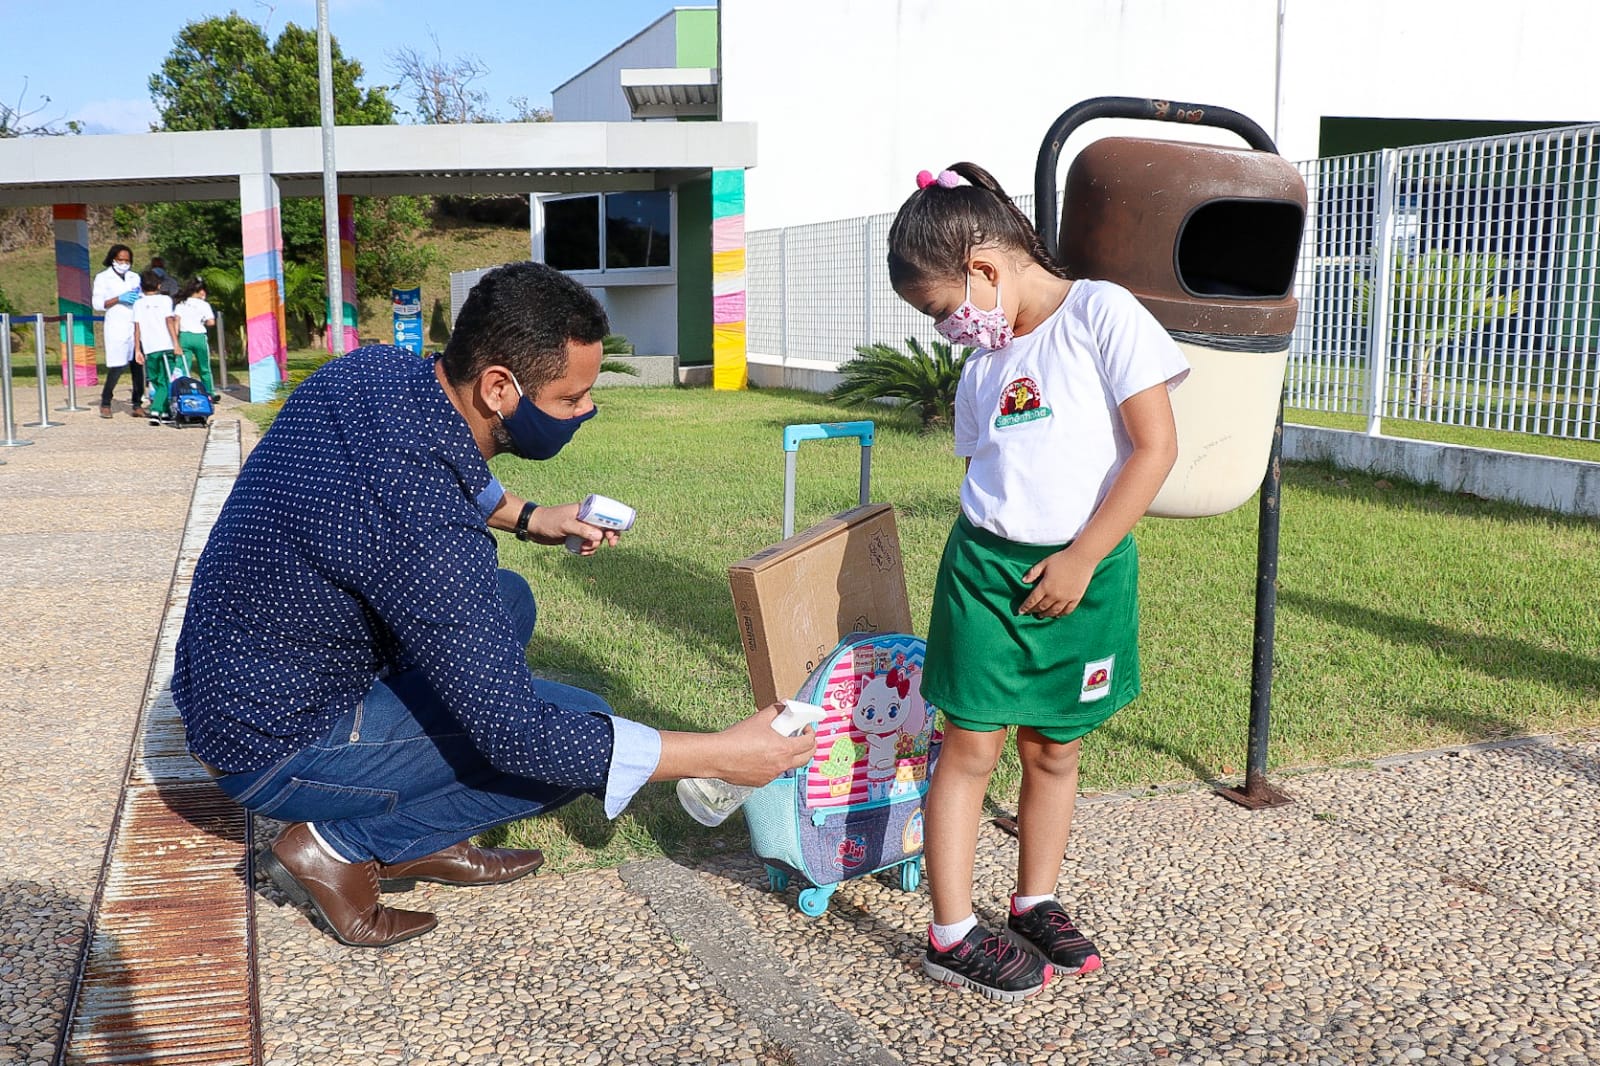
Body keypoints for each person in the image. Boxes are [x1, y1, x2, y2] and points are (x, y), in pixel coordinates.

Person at [172, 261, 815, 948]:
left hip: (232, 675)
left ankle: (424, 831)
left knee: (506, 601)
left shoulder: (371, 373)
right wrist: (718, 755)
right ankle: (339, 845)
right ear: (499, 388)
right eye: (571, 399)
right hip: (272, 742)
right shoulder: (428, 532)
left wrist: (531, 515)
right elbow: (518, 734)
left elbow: (442, 463)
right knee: (573, 731)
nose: (586, 411)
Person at [886, 164, 1189, 1002]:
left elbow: (1154, 448)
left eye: (943, 309)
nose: (949, 330)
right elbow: (998, 470)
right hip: (986, 576)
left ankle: (1036, 899)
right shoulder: (987, 361)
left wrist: (1085, 555)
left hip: (1087, 571)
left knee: (1055, 746)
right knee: (972, 746)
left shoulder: (1101, 313)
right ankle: (950, 930)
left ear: (986, 268)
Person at [92, 244, 144, 419]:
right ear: (113, 259)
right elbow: (98, 304)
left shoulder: (134, 277)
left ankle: (137, 403)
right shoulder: (103, 278)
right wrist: (119, 299)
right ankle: (106, 401)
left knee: (138, 366)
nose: (124, 263)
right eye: (121, 260)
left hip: (135, 324)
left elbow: (141, 297)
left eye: (127, 260)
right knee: (117, 366)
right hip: (116, 325)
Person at [131, 270, 181, 425]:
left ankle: (164, 412)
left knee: (156, 380)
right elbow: (169, 322)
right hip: (166, 345)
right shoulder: (166, 300)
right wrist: (176, 343)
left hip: (150, 347)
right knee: (165, 380)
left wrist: (137, 349)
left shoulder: (138, 303)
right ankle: (156, 410)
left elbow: (136, 328)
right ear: (159, 285)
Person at [174, 276, 220, 402]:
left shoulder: (181, 304)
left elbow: (176, 322)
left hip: (184, 336)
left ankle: (181, 390)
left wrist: (176, 340)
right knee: (204, 367)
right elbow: (211, 322)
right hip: (199, 336)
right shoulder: (204, 304)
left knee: (183, 366)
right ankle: (209, 392)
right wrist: (201, 321)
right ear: (200, 291)